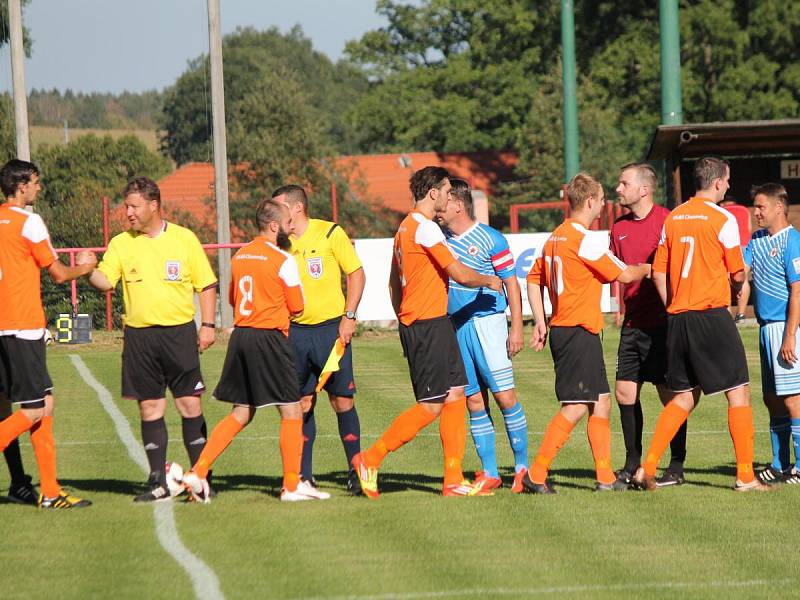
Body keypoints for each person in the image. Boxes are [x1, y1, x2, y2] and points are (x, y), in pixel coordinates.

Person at [351, 166, 503, 499]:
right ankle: (370, 458)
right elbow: (459, 273)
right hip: (427, 325)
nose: (450, 197)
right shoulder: (427, 229)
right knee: (431, 405)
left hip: (432, 323)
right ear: (432, 192)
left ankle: (452, 479)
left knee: (456, 395)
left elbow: (393, 282)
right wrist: (490, 280)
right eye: (448, 191)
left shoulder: (405, 228)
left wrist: (404, 317)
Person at [632, 156, 768, 492]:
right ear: (719, 182)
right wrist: (738, 285)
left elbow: (659, 273)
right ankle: (746, 476)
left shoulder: (673, 218)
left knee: (683, 397)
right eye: (728, 180)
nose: (728, 186)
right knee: (738, 391)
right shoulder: (722, 218)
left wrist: (673, 305)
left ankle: (645, 468)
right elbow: (738, 272)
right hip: (710, 314)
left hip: (679, 317)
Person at [82, 176, 218, 502]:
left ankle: (200, 477)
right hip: (139, 338)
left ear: (153, 205)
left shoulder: (184, 239)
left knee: (189, 404)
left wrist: (208, 325)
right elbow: (105, 281)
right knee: (150, 408)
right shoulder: (121, 243)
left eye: (133, 206)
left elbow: (207, 284)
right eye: (126, 206)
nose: (127, 212)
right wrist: (86, 270)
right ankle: (158, 481)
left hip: (179, 333)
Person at [523, 172, 650, 494]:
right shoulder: (583, 240)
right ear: (591, 201)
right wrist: (651, 267)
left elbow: (533, 279)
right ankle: (535, 474)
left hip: (570, 329)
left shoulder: (555, 238)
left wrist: (540, 320)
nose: (604, 205)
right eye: (602, 199)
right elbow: (624, 274)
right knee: (578, 404)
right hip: (577, 329)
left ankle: (605, 477)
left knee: (601, 402)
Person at [183, 200, 309, 502]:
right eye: (288, 223)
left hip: (242, 337)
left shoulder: (239, 256)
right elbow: (298, 307)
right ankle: (292, 486)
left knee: (242, 411)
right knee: (292, 409)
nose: (292, 227)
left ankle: (198, 472)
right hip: (269, 338)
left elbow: (232, 298)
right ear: (275, 226)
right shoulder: (282, 259)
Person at [0, 158, 95, 508]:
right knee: (34, 410)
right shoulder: (30, 221)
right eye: (36, 182)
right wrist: (84, 268)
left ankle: (50, 492)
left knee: (42, 403)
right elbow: (57, 274)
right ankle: (50, 492)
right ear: (21, 186)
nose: (39, 188)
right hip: (23, 326)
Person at [436, 178, 529, 492]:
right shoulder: (439, 240)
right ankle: (490, 472)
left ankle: (522, 469)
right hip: (456, 326)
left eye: (444, 202)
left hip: (488, 323)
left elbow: (511, 284)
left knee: (504, 396)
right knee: (473, 399)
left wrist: (516, 327)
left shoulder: (491, 239)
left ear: (458, 205)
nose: (438, 208)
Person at [273, 184, 365, 498]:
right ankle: (303, 477)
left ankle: (357, 471)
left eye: (278, 208)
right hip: (294, 334)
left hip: (330, 331)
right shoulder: (278, 244)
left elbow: (356, 273)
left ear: (296, 208)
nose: (274, 215)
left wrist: (349, 316)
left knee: (342, 402)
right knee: (300, 404)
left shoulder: (330, 234)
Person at [610, 163, 692, 489]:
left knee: (670, 394)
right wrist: (619, 307)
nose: (618, 188)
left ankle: (676, 464)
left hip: (663, 324)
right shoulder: (618, 228)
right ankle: (632, 462)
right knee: (624, 392)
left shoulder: (668, 220)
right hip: (632, 323)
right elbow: (617, 270)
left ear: (644, 189)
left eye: (623, 183)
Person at [742, 183, 800, 485]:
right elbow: (741, 268)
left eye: (761, 206)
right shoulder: (757, 239)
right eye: (755, 206)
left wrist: (790, 335)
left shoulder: (793, 241)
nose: (757, 211)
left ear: (779, 207)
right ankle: (779, 464)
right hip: (765, 329)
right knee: (771, 398)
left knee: (793, 399)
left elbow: (798, 290)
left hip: (785, 329)